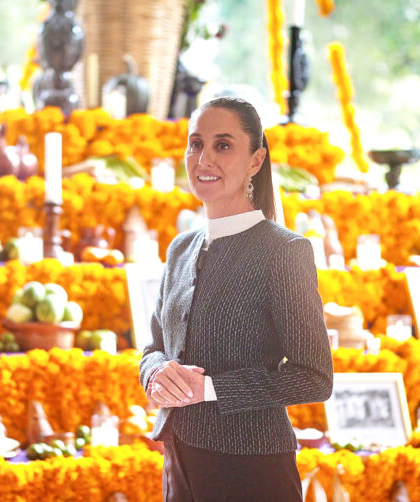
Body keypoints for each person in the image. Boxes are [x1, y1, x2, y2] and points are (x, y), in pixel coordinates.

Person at [139, 96, 334, 501]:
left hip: (250, 470)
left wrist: (208, 388)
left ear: (255, 160)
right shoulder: (179, 248)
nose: (203, 158)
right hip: (178, 460)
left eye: (222, 145)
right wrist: (155, 373)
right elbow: (153, 348)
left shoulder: (284, 251)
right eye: (196, 144)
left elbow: (315, 376)